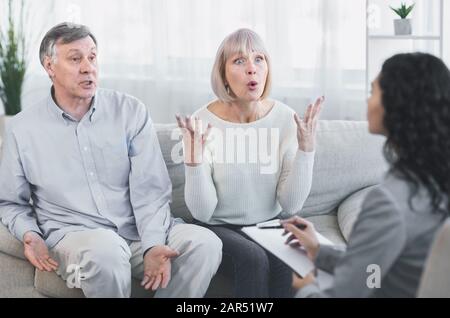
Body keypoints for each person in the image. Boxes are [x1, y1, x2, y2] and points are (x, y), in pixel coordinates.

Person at [0, 22, 222, 298]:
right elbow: (10, 202)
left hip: (137, 232)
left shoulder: (130, 111)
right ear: (49, 66)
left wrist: (153, 244)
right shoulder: (23, 129)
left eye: (92, 57)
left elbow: (150, 190)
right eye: (75, 58)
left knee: (205, 244)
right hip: (78, 238)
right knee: (106, 251)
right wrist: (29, 234)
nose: (88, 67)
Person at [283, 52, 450, 298]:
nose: (368, 100)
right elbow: (371, 268)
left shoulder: (389, 202)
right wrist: (319, 250)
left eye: (373, 92)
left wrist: (305, 288)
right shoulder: (434, 183)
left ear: (395, 104)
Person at [176, 28, 323, 297]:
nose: (252, 69)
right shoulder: (202, 122)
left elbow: (291, 205)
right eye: (239, 61)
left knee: (293, 259)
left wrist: (306, 150)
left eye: (259, 59)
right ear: (223, 74)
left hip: (268, 225)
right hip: (217, 227)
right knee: (253, 258)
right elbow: (202, 213)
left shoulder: (285, 119)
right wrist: (194, 162)